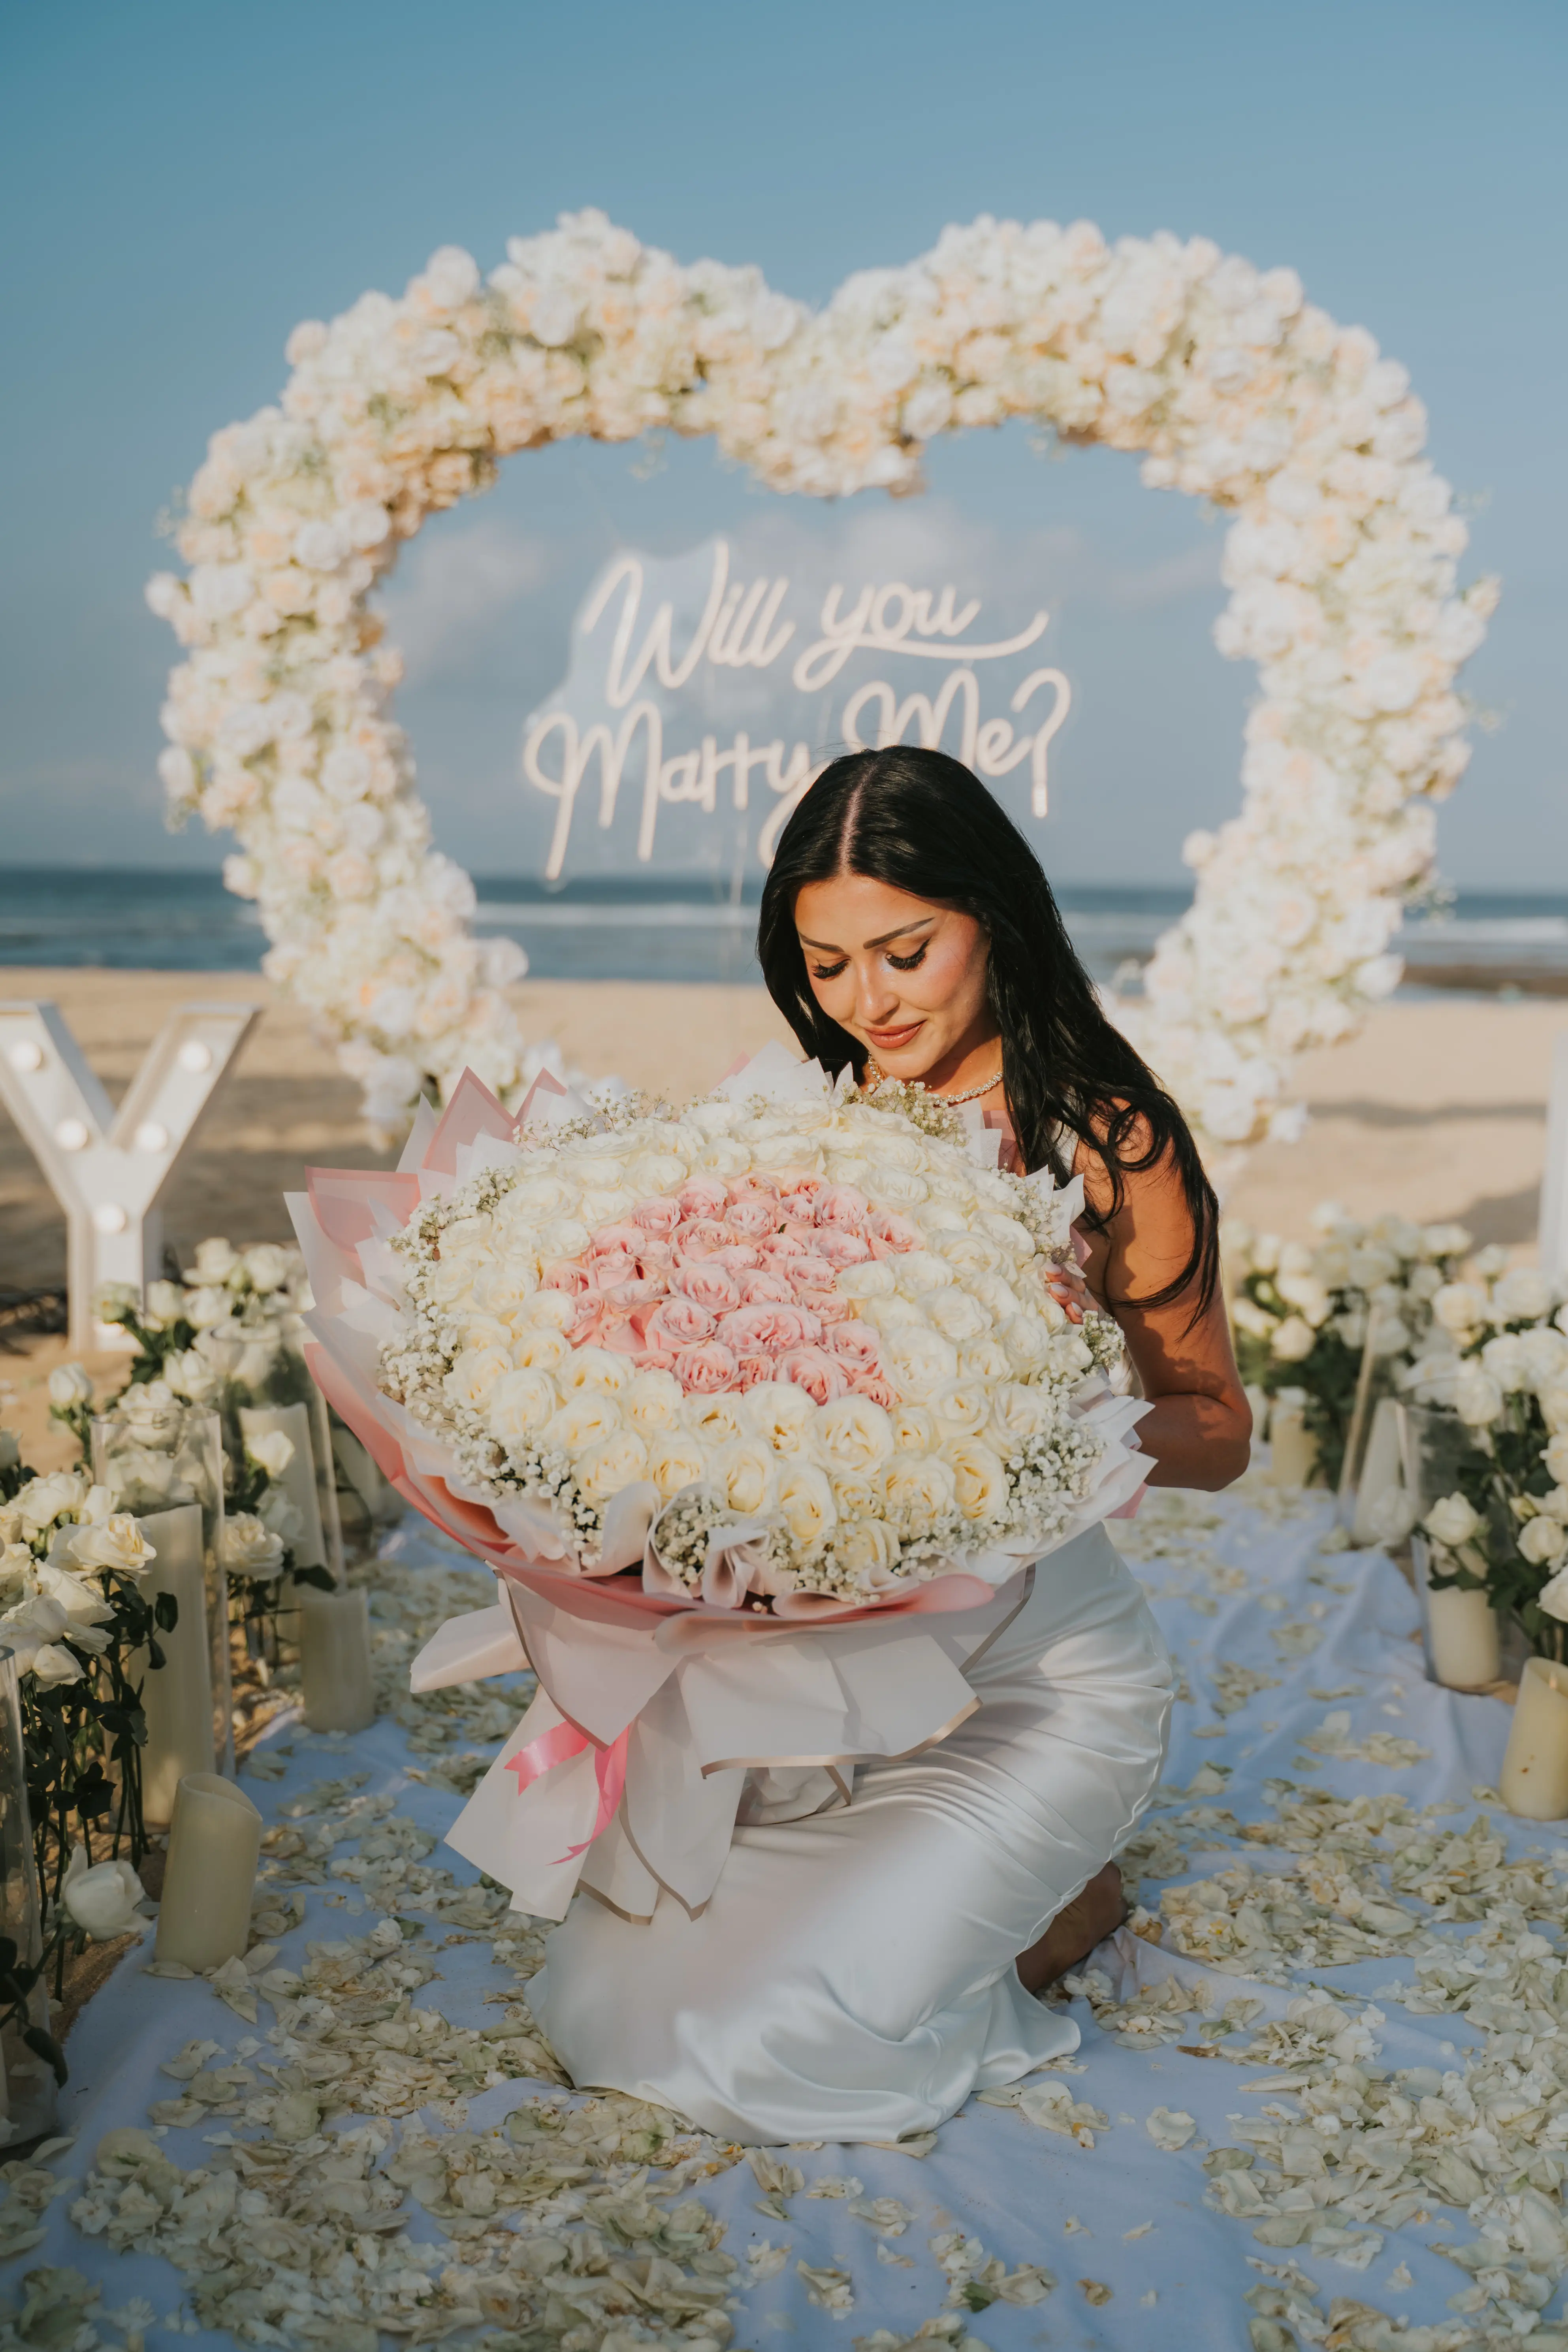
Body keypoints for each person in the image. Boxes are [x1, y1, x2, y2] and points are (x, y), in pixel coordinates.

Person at [533, 746, 1250, 2143]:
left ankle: (1065, 1894)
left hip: (1044, 1672)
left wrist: (1035, 1416)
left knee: (773, 2041)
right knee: (608, 2000)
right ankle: (1008, 1894)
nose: (869, 1001)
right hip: (837, 1660)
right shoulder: (805, 1123)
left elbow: (1219, 1433)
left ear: (994, 914)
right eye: (826, 965)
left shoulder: (1111, 1141)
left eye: (906, 951)